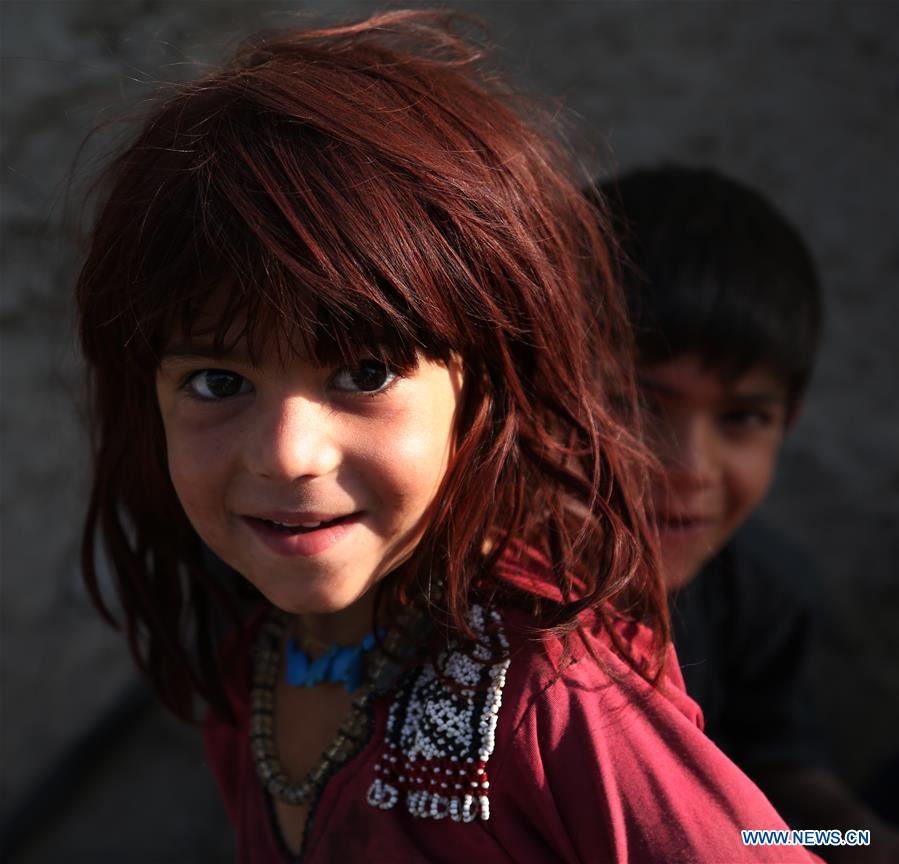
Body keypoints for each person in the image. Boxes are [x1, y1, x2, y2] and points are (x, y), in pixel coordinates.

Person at [75, 13, 819, 862]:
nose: (285, 453)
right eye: (218, 383)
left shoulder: (557, 689)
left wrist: (851, 832)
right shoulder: (253, 665)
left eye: (364, 374)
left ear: (495, 386)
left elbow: (761, 827)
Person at [598, 165, 899, 863]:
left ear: (786, 423)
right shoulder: (478, 599)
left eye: (740, 418)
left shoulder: (760, 590)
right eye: (637, 405)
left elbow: (772, 811)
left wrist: (859, 841)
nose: (690, 467)